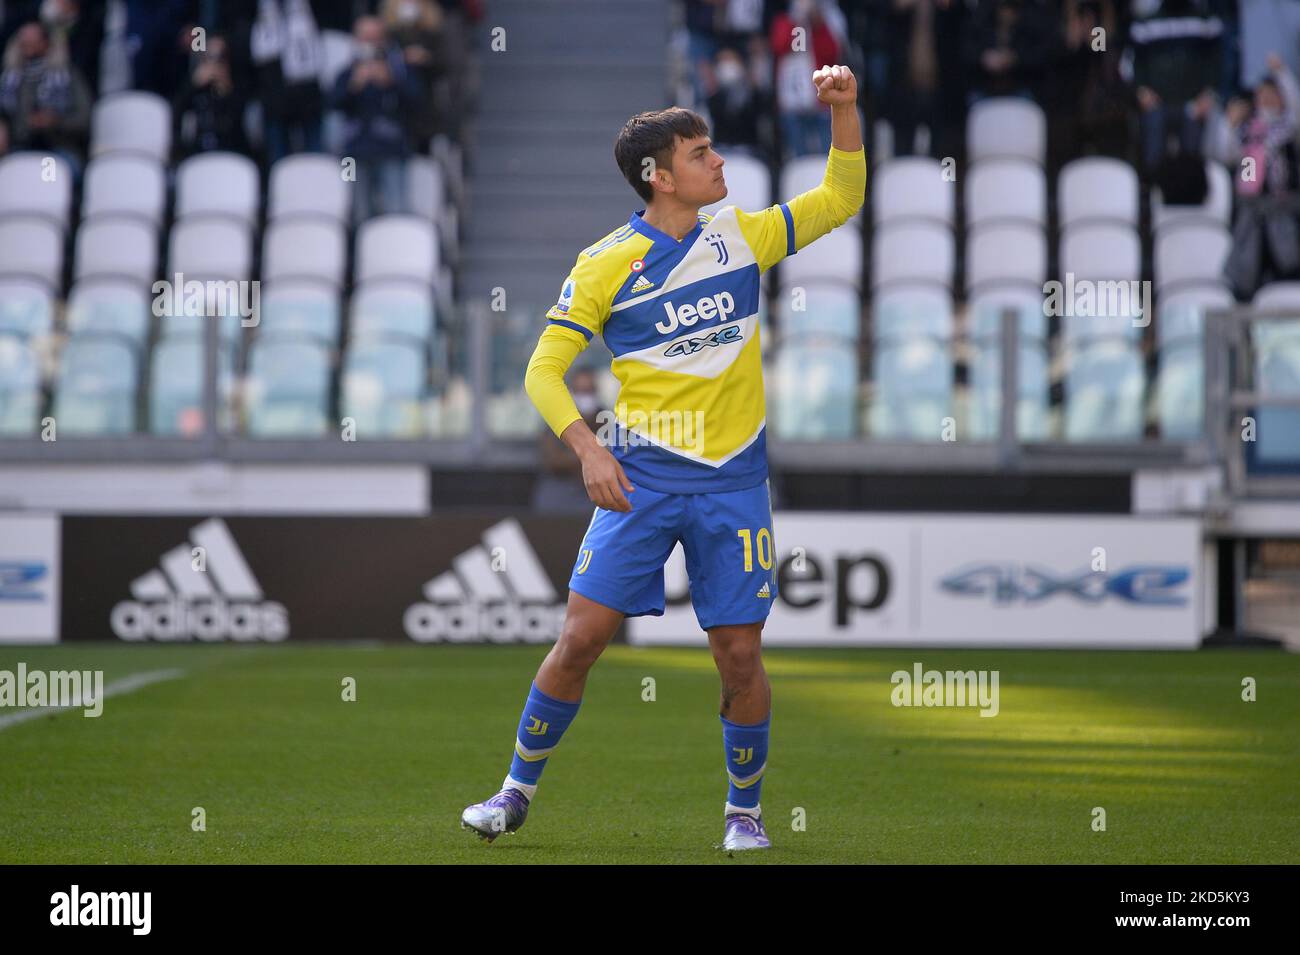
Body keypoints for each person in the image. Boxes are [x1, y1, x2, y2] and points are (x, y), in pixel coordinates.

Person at [460, 65, 866, 852]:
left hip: (735, 480)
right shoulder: (605, 262)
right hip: (639, 476)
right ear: (659, 175)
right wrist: (586, 448)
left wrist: (844, 111)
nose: (720, 164)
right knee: (580, 639)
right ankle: (514, 792)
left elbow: (842, 198)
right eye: (703, 153)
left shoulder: (741, 235)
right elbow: (541, 370)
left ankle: (743, 812)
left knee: (739, 654)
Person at [331, 15, 419, 221]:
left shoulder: (398, 69)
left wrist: (391, 81)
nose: (369, 44)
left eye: (374, 38)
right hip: (353, 153)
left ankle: (397, 252)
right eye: (364, 38)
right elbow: (332, 103)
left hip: (391, 149)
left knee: (396, 211)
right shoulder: (347, 71)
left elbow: (416, 101)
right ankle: (362, 251)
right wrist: (354, 85)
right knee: (358, 212)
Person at [0, 19, 91, 170]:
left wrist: (55, 121)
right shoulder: (10, 78)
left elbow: (84, 117)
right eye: (24, 41)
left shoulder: (66, 75)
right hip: (19, 147)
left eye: (33, 40)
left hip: (57, 149)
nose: (28, 45)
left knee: (47, 179)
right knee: (14, 176)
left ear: (45, 43)